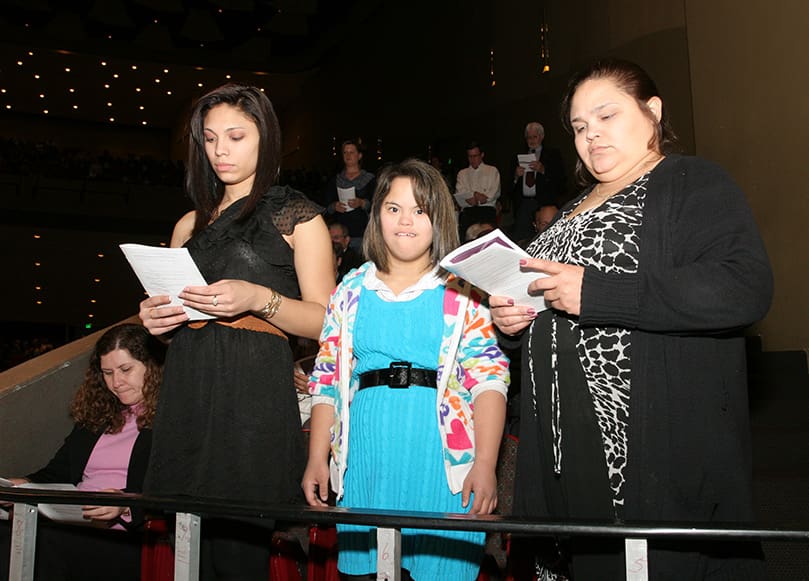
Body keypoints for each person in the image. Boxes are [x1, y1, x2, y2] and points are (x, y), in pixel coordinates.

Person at [490, 58, 773, 579]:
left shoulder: (690, 181)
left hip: (645, 451)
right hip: (560, 449)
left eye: (607, 116)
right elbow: (553, 308)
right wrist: (513, 324)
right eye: (579, 127)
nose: (591, 136)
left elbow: (743, 287)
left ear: (653, 111)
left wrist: (598, 291)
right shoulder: (571, 206)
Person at [138, 83, 334, 579]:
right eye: (209, 139)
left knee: (239, 558)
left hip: (253, 400)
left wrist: (257, 299)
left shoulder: (298, 215)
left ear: (264, 139)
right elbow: (176, 321)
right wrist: (158, 325)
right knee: (187, 555)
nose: (220, 150)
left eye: (236, 136)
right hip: (189, 391)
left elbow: (327, 322)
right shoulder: (188, 225)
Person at [302, 159, 509, 580]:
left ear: (439, 218)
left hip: (443, 463)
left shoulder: (463, 291)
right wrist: (316, 457)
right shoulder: (350, 290)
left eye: (420, 210)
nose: (405, 221)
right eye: (393, 208)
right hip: (366, 459)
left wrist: (485, 463)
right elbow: (326, 378)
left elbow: (488, 379)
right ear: (376, 214)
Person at [0, 323, 164, 581]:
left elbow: (173, 484)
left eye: (125, 370)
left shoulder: (171, 421)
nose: (116, 383)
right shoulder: (98, 418)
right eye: (107, 373)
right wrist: (23, 485)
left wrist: (124, 502)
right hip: (76, 525)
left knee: (43, 541)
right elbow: (58, 472)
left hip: (129, 537)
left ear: (153, 367)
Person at [509, 122, 566, 242]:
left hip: (544, 204)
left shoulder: (552, 154)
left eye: (534, 137)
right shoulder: (518, 156)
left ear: (542, 137)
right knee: (521, 238)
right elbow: (508, 186)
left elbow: (562, 181)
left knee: (545, 239)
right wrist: (516, 176)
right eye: (528, 137)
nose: (531, 140)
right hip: (523, 204)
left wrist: (543, 170)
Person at [324, 139, 376, 252]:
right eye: (345, 152)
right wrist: (334, 206)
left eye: (351, 152)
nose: (348, 155)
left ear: (359, 155)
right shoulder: (336, 180)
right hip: (340, 234)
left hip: (361, 232)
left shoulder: (369, 179)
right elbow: (326, 207)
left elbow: (377, 205)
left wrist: (362, 203)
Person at [455, 141, 501, 240]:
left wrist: (471, 196)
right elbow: (460, 193)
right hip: (468, 213)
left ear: (482, 155)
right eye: (470, 156)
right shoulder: (462, 173)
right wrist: (476, 194)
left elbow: (492, 194)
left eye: (475, 156)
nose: (472, 159)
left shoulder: (492, 170)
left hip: (487, 211)